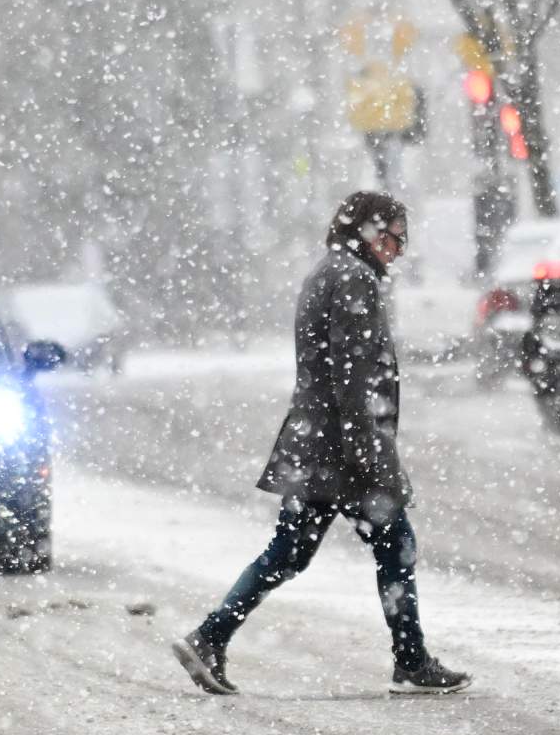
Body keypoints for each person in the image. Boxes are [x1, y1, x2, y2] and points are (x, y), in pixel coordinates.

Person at [171, 191, 471, 696]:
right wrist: (369, 458)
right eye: (396, 236)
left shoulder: (329, 272)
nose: (399, 248)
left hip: (320, 446)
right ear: (372, 234)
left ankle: (210, 636)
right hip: (342, 451)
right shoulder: (352, 280)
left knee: (289, 552)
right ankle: (412, 661)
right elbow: (352, 381)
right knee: (394, 545)